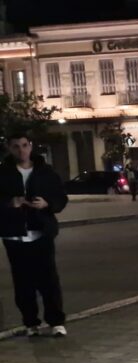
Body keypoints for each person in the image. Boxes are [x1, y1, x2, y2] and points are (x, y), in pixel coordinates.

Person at [0, 133, 69, 337]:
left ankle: (56, 322)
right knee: (23, 283)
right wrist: (9, 203)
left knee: (48, 280)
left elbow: (61, 198)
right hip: (14, 235)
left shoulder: (45, 172)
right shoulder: (3, 173)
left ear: (30, 146)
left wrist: (47, 204)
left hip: (41, 232)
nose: (21, 150)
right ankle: (31, 323)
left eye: (24, 145)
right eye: (16, 146)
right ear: (9, 148)